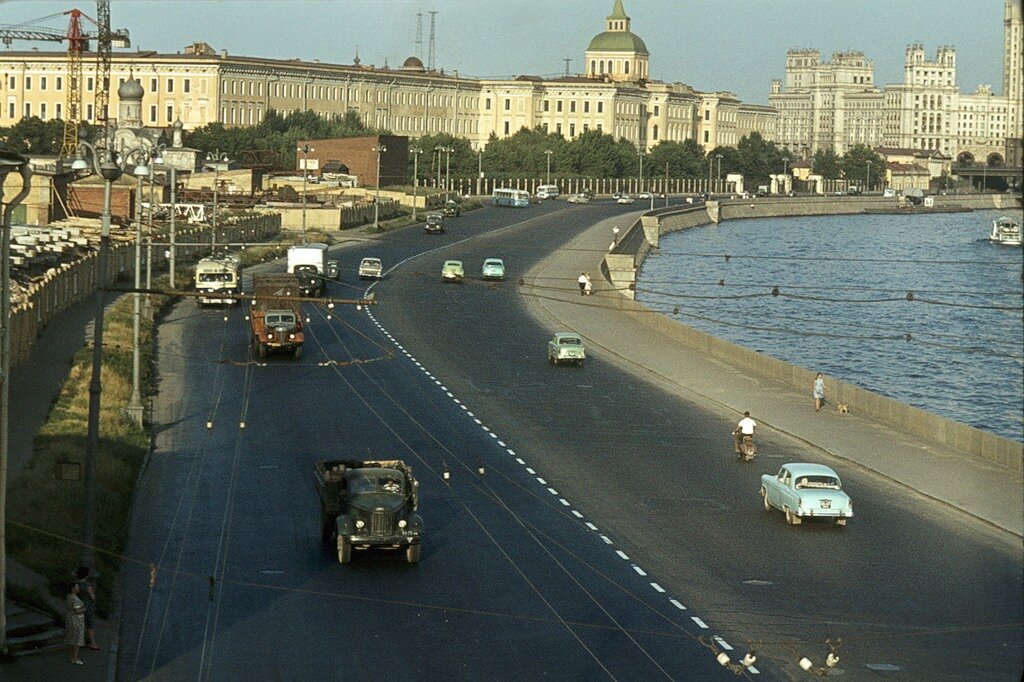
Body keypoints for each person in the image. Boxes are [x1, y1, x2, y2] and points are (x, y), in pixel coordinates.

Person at [76, 566, 100, 650]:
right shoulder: (87, 586)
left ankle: (81, 641)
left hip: (78, 607)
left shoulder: (76, 585)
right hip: (87, 607)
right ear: (86, 575)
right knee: (89, 626)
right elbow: (93, 597)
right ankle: (92, 643)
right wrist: (91, 604)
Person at [65, 582, 86, 665]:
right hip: (77, 620)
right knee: (77, 639)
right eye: (77, 587)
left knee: (71, 638)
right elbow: (77, 611)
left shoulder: (68, 596)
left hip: (70, 619)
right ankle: (75, 658)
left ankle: (71, 656)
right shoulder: (75, 599)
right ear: (73, 589)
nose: (78, 588)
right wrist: (84, 609)